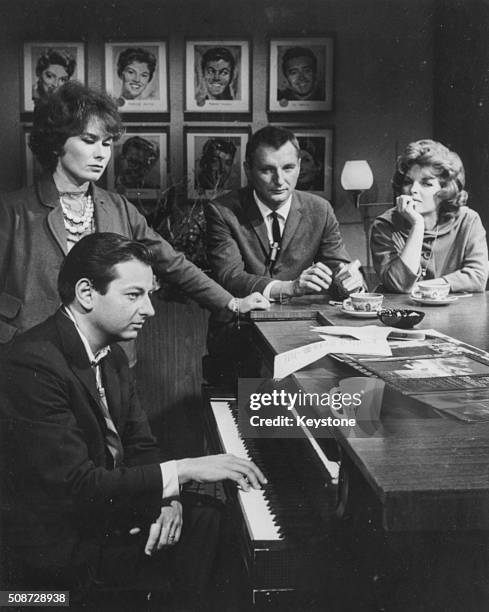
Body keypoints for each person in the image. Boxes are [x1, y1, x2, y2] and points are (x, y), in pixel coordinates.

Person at [0, 233, 266, 607]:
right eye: (134, 295)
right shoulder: (33, 363)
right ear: (87, 293)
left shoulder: (112, 356)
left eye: (150, 295)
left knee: (211, 520)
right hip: (55, 558)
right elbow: (78, 486)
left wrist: (167, 498)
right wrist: (185, 469)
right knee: (208, 538)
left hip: (99, 513)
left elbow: (141, 445)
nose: (150, 310)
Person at [0, 81, 268, 347]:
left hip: (105, 352)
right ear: (57, 144)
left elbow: (174, 264)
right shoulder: (12, 210)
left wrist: (231, 302)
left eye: (106, 144)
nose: (100, 154)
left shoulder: (119, 208)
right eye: (89, 140)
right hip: (30, 350)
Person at [204, 126, 364, 380]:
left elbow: (338, 268)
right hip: (237, 340)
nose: (280, 180)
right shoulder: (223, 211)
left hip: (300, 340)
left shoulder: (320, 210)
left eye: (288, 168)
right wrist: (289, 287)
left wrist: (349, 281)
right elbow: (229, 277)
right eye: (267, 170)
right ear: (248, 170)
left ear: (299, 166)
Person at [370, 139, 489, 293]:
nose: (413, 189)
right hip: (406, 314)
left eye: (426, 183)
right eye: (408, 181)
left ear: (445, 190)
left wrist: (423, 287)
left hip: (455, 314)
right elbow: (399, 284)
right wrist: (417, 226)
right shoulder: (384, 225)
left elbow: (478, 277)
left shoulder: (468, 220)